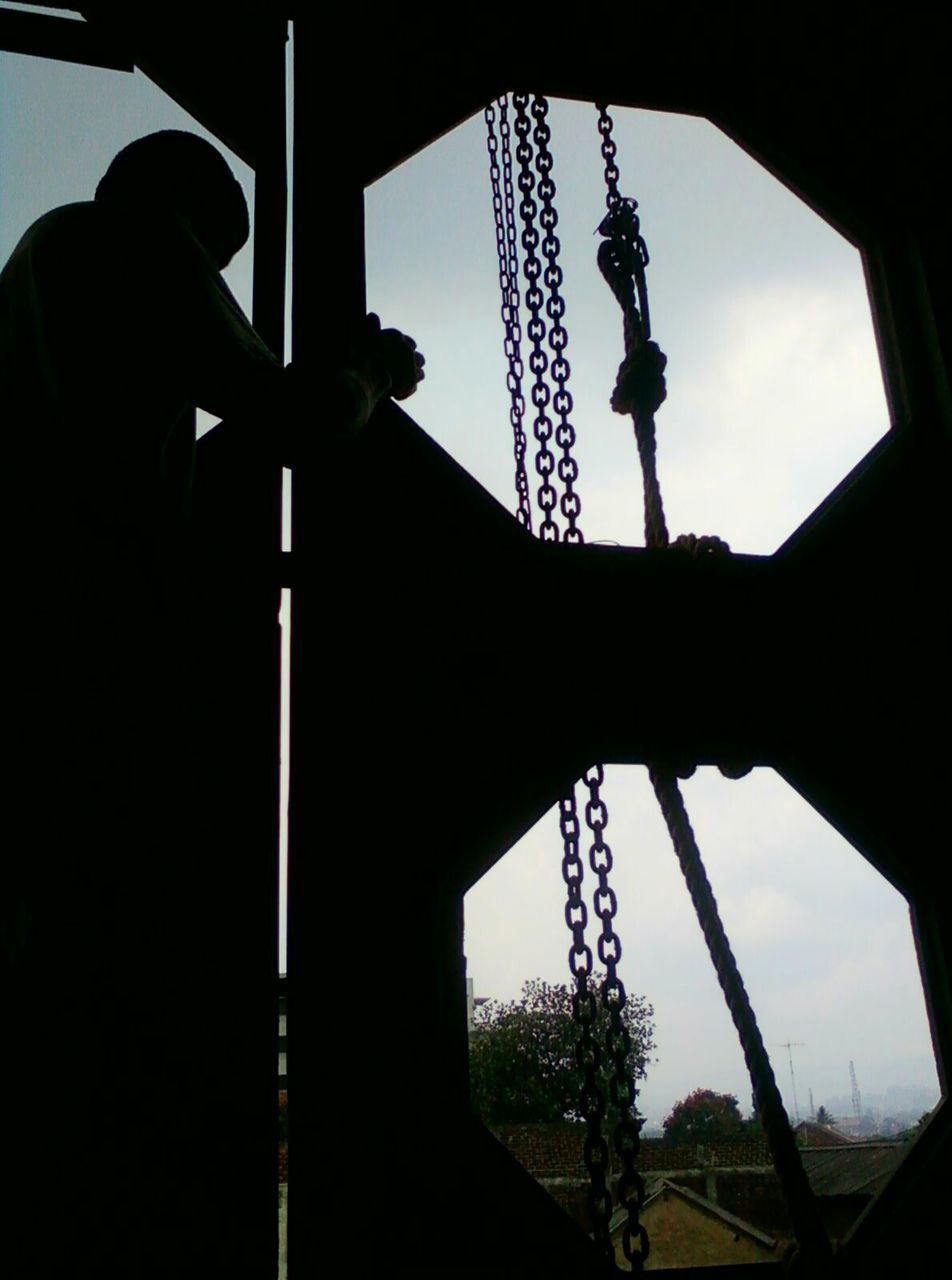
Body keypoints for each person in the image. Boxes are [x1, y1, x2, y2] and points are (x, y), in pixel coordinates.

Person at [0, 129, 423, 1275]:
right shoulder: (135, 243)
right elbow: (289, 411)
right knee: (100, 970)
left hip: (28, 652)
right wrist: (370, 375)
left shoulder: (36, 261)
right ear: (186, 207)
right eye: (219, 250)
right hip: (94, 663)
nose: (218, 275)